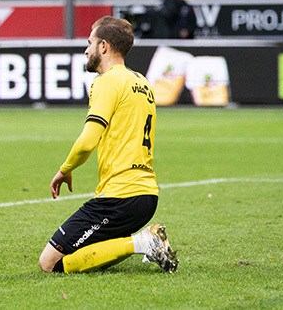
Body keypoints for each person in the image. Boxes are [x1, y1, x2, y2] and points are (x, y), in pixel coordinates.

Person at [38, 16, 178, 274]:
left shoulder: (107, 81)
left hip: (120, 197)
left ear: (103, 46)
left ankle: (143, 242)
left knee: (50, 263)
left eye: (89, 43)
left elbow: (87, 142)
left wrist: (65, 169)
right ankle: (141, 242)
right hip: (147, 196)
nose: (86, 50)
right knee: (88, 252)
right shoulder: (142, 82)